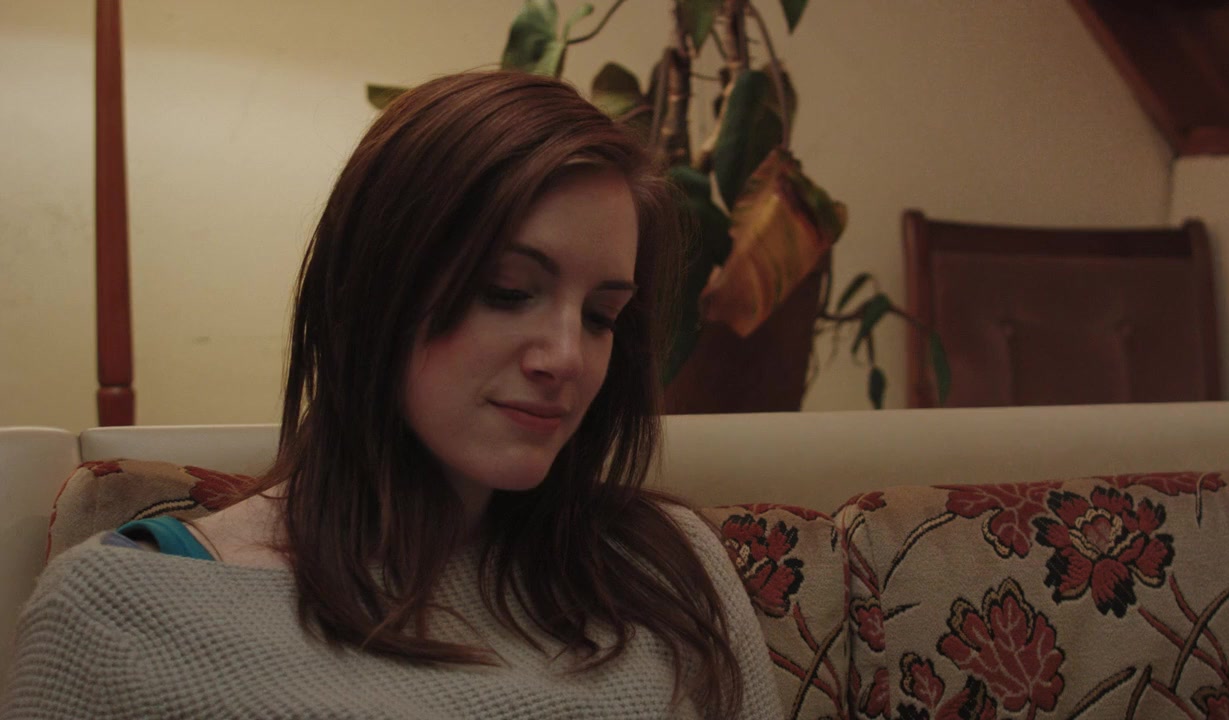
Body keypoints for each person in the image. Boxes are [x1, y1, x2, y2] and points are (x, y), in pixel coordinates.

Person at [1, 71, 781, 718]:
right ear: (370, 288)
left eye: (601, 316)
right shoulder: (118, 613)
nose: (567, 357)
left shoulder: (669, 572)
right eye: (509, 292)